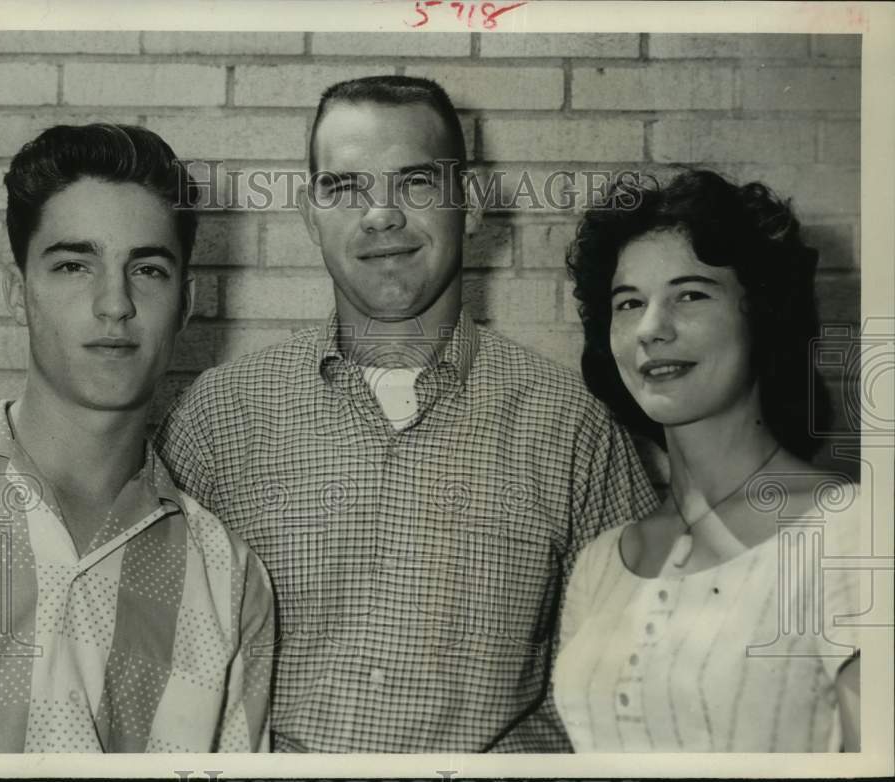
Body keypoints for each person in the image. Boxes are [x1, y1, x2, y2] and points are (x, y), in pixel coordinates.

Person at [155, 75, 657, 753]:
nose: (381, 216)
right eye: (345, 187)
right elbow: (159, 679)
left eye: (415, 183)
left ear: (471, 205)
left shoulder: (572, 426)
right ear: (310, 215)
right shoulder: (219, 418)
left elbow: (631, 693)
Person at [0, 124, 274, 753]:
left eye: (147, 268)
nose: (114, 303)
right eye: (72, 265)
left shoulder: (228, 578)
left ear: (186, 301)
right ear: (16, 292)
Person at [555, 168, 862, 752]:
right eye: (629, 303)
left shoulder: (851, 534)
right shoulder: (601, 564)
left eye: (690, 294)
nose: (651, 329)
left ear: (762, 314)